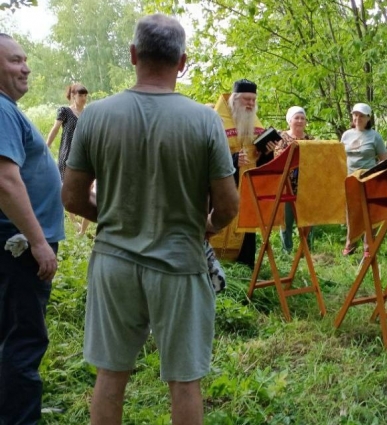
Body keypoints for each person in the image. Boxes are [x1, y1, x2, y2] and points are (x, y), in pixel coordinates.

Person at [61, 14, 238, 424]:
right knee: (184, 381)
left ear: (133, 54)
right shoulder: (205, 120)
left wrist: (107, 218)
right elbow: (229, 207)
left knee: (110, 375)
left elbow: (71, 196)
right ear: (183, 62)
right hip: (179, 263)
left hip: (114, 261)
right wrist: (206, 227)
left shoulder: (97, 116)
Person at [0, 33, 65, 425]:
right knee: (24, 338)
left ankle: (12, 407)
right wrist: (39, 242)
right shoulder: (2, 110)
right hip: (20, 245)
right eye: (14, 61)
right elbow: (6, 182)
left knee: (11, 333)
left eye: (25, 59)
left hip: (15, 242)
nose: (25, 68)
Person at [211, 79, 275, 269]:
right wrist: (232, 160)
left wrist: (267, 152)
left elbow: (260, 161)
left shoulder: (255, 122)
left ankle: (244, 267)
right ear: (234, 99)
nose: (250, 104)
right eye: (247, 99)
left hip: (247, 186)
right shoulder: (217, 120)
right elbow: (206, 154)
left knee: (246, 226)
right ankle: (211, 264)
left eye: (254, 100)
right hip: (222, 186)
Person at [341, 102, 387, 257]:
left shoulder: (375, 136)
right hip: (350, 179)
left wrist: (380, 177)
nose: (358, 118)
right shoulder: (346, 135)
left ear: (368, 118)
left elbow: (384, 159)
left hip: (369, 179)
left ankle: (369, 244)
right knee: (352, 211)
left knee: (370, 211)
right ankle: (351, 242)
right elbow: (340, 157)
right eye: (355, 115)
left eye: (362, 115)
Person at [46, 82, 91, 234]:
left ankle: (84, 221)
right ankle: (73, 222)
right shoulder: (65, 111)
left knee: (87, 187)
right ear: (73, 96)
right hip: (67, 154)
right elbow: (55, 129)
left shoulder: (88, 113)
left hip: (84, 155)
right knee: (65, 186)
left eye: (85, 95)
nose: (83, 98)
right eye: (80, 95)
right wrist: (46, 146)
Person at [275, 106, 314, 253]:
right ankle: (288, 252)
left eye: (302, 118)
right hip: (286, 185)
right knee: (287, 220)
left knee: (308, 219)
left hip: (306, 187)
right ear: (289, 120)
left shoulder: (310, 139)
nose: (300, 121)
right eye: (296, 118)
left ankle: (307, 251)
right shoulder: (281, 137)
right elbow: (278, 157)